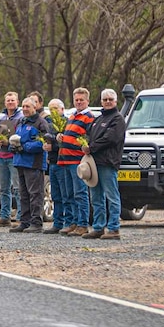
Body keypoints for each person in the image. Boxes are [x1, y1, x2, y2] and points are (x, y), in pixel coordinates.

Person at [81, 89, 126, 239]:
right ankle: (98, 227)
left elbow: (110, 138)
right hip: (94, 164)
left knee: (111, 196)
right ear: (101, 101)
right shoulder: (97, 120)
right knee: (96, 197)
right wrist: (85, 144)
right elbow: (88, 135)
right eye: (105, 99)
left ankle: (114, 228)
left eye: (110, 99)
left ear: (116, 101)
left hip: (108, 163)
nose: (108, 102)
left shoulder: (118, 119)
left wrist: (91, 147)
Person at [57, 87, 94, 237]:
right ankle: (71, 222)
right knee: (67, 194)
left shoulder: (89, 117)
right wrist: (61, 137)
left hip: (77, 161)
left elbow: (89, 139)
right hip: (65, 159)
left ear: (87, 101)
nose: (78, 102)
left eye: (81, 100)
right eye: (76, 100)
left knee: (80, 193)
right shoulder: (72, 116)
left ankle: (82, 223)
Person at [10, 98, 50, 233]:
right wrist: (13, 147)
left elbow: (43, 143)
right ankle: (25, 221)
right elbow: (16, 138)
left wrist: (24, 147)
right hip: (20, 162)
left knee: (35, 194)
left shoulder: (41, 123)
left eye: (28, 106)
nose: (25, 109)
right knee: (23, 194)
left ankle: (36, 223)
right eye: (23, 106)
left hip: (34, 164)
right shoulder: (21, 121)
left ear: (35, 107)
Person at [0, 91, 23, 227]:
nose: (10, 102)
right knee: (4, 188)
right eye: (8, 100)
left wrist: (8, 143)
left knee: (17, 188)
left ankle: (21, 216)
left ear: (17, 102)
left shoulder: (20, 118)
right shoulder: (1, 118)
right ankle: (5, 216)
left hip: (13, 156)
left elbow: (20, 138)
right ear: (5, 102)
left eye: (12, 100)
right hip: (2, 156)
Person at [43, 98, 67, 233]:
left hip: (63, 163)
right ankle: (57, 223)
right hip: (52, 163)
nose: (53, 112)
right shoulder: (49, 124)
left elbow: (67, 141)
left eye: (56, 109)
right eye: (51, 109)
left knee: (66, 194)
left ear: (62, 110)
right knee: (55, 195)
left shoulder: (66, 123)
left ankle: (68, 222)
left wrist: (53, 146)